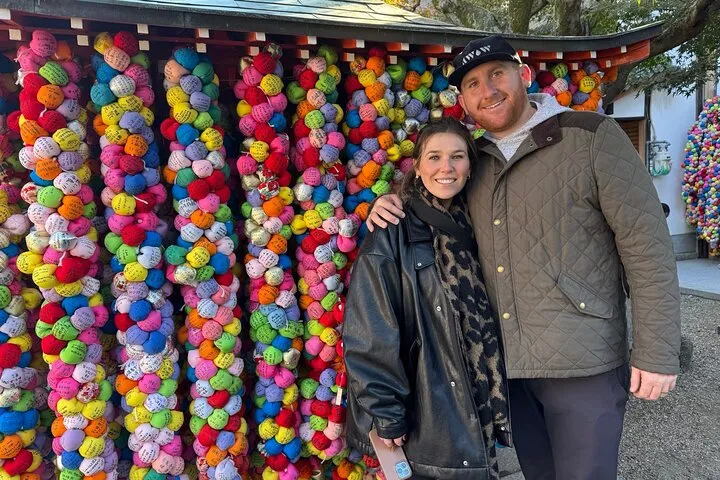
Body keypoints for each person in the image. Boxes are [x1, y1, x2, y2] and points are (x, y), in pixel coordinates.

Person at [366, 35, 681, 480]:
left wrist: (657, 352)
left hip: (582, 360)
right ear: (463, 100)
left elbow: (647, 247)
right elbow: (431, 194)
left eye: (497, 74)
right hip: (509, 368)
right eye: (473, 83)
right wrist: (388, 202)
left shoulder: (591, 137)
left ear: (524, 76)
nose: (488, 90)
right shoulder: (474, 160)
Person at [344, 118, 510, 480]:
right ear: (417, 167)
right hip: (429, 405)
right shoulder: (392, 228)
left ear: (470, 166)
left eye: (457, 156)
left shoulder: (483, 222)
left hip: (477, 396)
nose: (446, 168)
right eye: (434, 157)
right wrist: (387, 413)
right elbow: (370, 332)